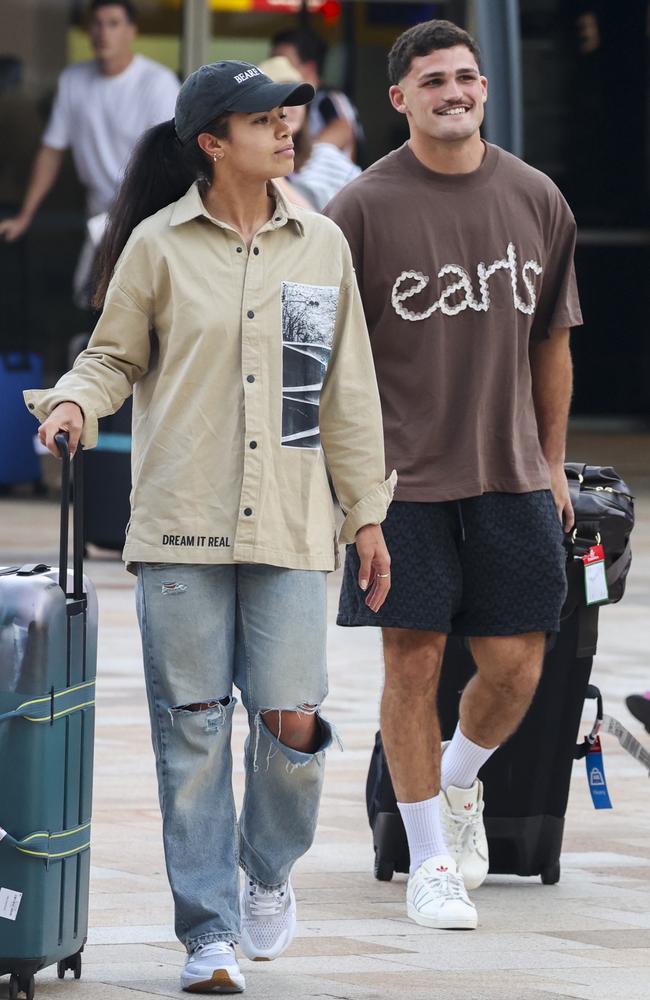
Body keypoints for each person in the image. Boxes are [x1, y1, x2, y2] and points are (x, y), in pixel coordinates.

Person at [25, 59, 394, 994]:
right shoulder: (155, 245)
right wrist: (72, 403)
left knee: (291, 721)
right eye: (264, 118)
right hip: (181, 525)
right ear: (211, 141)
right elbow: (111, 355)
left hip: (292, 522)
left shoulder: (322, 245)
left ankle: (266, 869)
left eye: (288, 116)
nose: (286, 129)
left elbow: (344, 392)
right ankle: (208, 934)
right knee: (191, 732)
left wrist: (368, 520)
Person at [325, 19, 582, 930]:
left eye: (467, 78)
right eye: (433, 81)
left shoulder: (538, 197)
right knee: (414, 661)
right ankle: (430, 857)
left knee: (518, 666)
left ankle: (458, 785)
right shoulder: (358, 208)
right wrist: (349, 490)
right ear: (400, 99)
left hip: (511, 474)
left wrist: (551, 463)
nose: (455, 92)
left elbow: (552, 340)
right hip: (402, 485)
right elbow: (324, 358)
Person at [0, 0, 179, 306]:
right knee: (93, 306)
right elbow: (51, 151)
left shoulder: (158, 83)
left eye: (113, 23)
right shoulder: (73, 81)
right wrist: (26, 215)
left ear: (131, 31)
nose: (102, 32)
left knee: (147, 308)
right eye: (96, 23)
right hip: (98, 217)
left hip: (151, 215)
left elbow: (173, 156)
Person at [258, 56, 361, 211]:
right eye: (282, 99)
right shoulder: (246, 167)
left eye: (297, 100)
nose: (292, 108)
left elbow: (365, 209)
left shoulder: (325, 157)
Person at [271, 27, 364, 163]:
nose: (276, 68)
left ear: (310, 68)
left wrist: (296, 159)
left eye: (283, 63)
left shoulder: (329, 99)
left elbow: (343, 129)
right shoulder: (279, 99)